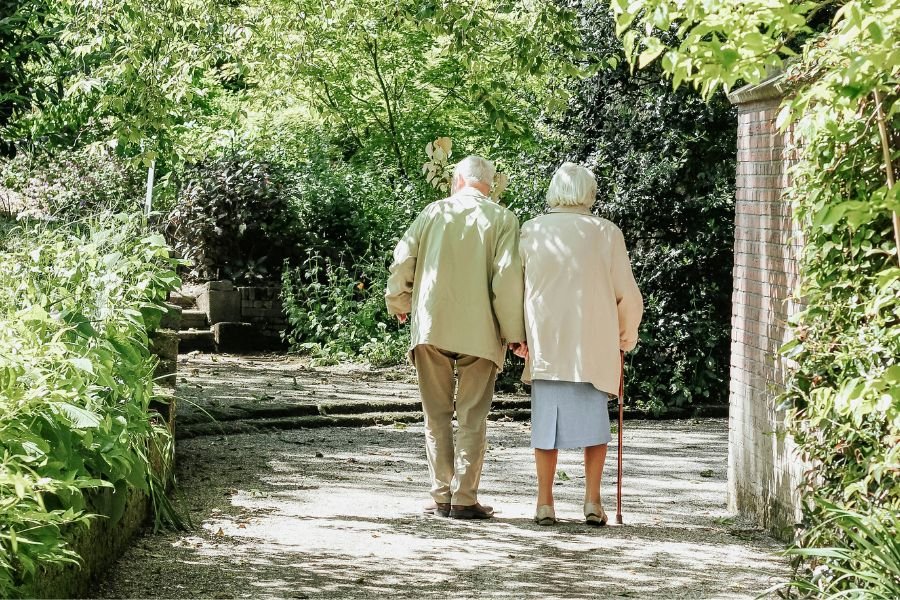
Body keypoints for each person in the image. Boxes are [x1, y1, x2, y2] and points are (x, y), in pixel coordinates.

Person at [385, 155, 526, 520]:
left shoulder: (432, 212)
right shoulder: (503, 219)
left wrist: (398, 300)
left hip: (432, 326)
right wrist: (514, 334)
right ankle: (464, 498)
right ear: (489, 185)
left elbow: (403, 260)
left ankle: (440, 495)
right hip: (481, 332)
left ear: (457, 180)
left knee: (435, 415)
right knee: (472, 416)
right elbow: (507, 280)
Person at [516, 162, 643, 526]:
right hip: (593, 343)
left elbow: (516, 289)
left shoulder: (532, 230)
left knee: (545, 426)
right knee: (595, 426)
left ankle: (544, 502)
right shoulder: (606, 233)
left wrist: (517, 336)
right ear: (590, 193)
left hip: (547, 342)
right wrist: (625, 336)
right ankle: (592, 500)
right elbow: (627, 295)